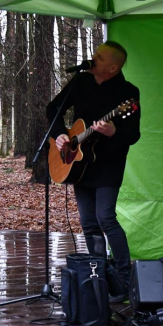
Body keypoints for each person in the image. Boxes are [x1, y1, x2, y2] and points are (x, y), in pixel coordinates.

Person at [47, 41, 141, 299]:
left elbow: (133, 134)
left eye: (98, 58)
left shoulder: (128, 93)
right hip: (80, 164)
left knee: (105, 218)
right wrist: (60, 136)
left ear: (112, 68)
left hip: (109, 165)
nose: (92, 59)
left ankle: (123, 279)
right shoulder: (81, 82)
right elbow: (53, 109)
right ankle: (98, 274)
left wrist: (114, 131)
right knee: (88, 223)